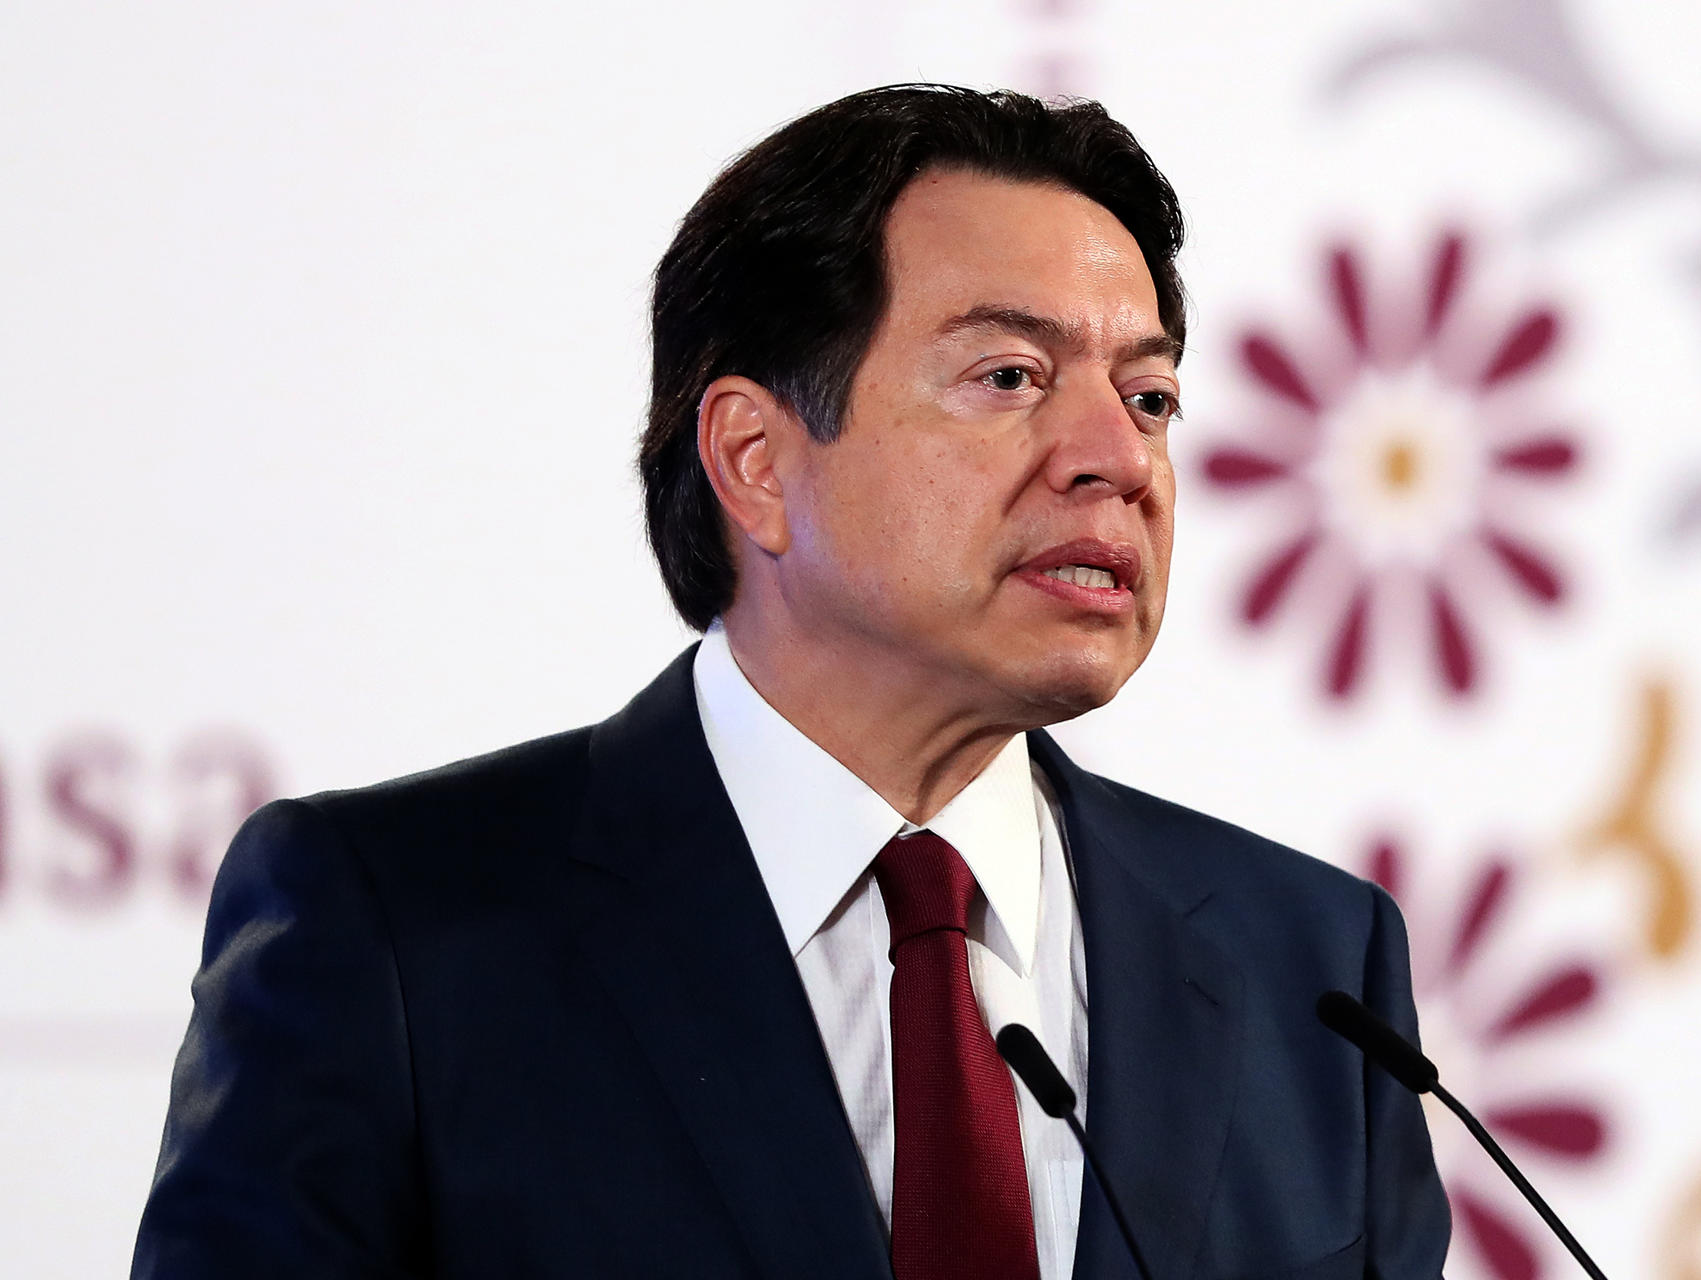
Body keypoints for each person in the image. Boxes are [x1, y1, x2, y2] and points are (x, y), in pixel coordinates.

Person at [133, 84, 1449, 1279]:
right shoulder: (396, 934)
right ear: (758, 459)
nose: (1116, 455)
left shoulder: (1313, 972)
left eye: (1152, 395)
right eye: (1011, 377)